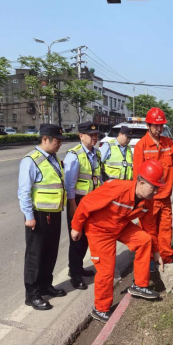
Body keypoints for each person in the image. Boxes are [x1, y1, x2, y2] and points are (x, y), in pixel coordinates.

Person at [70, 159, 166, 323]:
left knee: (144, 240)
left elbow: (150, 226)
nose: (156, 191)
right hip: (100, 230)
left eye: (158, 187)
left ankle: (140, 285)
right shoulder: (118, 188)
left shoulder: (147, 200)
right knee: (106, 271)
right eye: (154, 187)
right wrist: (76, 227)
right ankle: (100, 310)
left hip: (120, 225)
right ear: (142, 182)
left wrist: (156, 251)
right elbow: (86, 203)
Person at [133, 108, 173, 265]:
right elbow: (137, 176)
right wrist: (138, 200)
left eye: (161, 125)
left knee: (166, 230)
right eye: (155, 125)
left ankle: (166, 259)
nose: (158, 129)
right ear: (148, 125)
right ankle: (149, 261)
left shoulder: (167, 143)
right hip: (149, 200)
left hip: (165, 197)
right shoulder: (141, 146)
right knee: (149, 232)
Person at [18, 124, 68, 310]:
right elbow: (24, 191)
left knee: (50, 252)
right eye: (57, 141)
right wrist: (28, 216)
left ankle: (46, 285)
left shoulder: (53, 158)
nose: (60, 144)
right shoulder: (31, 160)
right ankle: (32, 295)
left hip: (54, 213)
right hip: (38, 215)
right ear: (45, 139)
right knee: (35, 255)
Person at [64, 122, 103, 290]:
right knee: (77, 239)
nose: (94, 138)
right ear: (81, 136)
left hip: (93, 202)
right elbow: (69, 185)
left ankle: (78, 267)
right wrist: (73, 206)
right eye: (90, 135)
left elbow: (98, 178)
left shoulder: (97, 153)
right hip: (78, 202)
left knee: (87, 237)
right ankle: (74, 274)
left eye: (96, 135)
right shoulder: (74, 155)